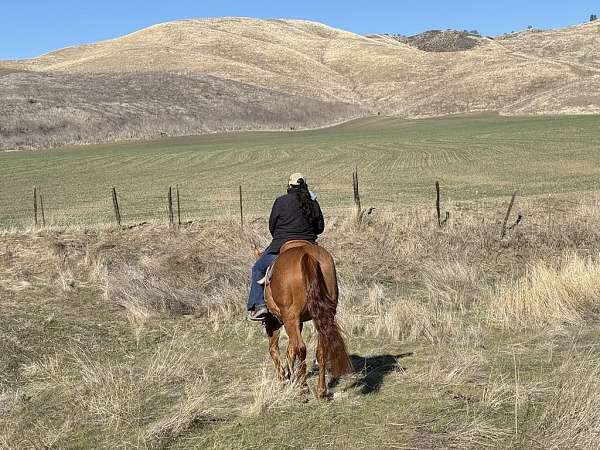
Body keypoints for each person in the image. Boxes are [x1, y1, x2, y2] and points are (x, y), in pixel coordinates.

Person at [247, 173, 325, 321]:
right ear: (305, 186)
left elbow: (272, 227)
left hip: (281, 245)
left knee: (257, 268)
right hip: (310, 245)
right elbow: (320, 227)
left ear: (289, 186)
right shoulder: (312, 202)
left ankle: (259, 305)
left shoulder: (281, 201)